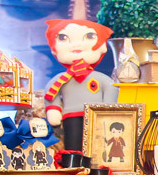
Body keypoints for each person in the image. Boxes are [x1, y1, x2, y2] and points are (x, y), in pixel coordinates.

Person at [43, 19, 118, 152]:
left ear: (102, 47)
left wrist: (107, 108)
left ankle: (94, 160)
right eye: (63, 38)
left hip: (96, 115)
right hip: (71, 116)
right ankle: (73, 160)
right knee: (73, 143)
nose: (76, 45)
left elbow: (111, 88)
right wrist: (53, 109)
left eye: (89, 36)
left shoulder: (100, 78)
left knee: (97, 142)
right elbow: (51, 91)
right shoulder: (62, 78)